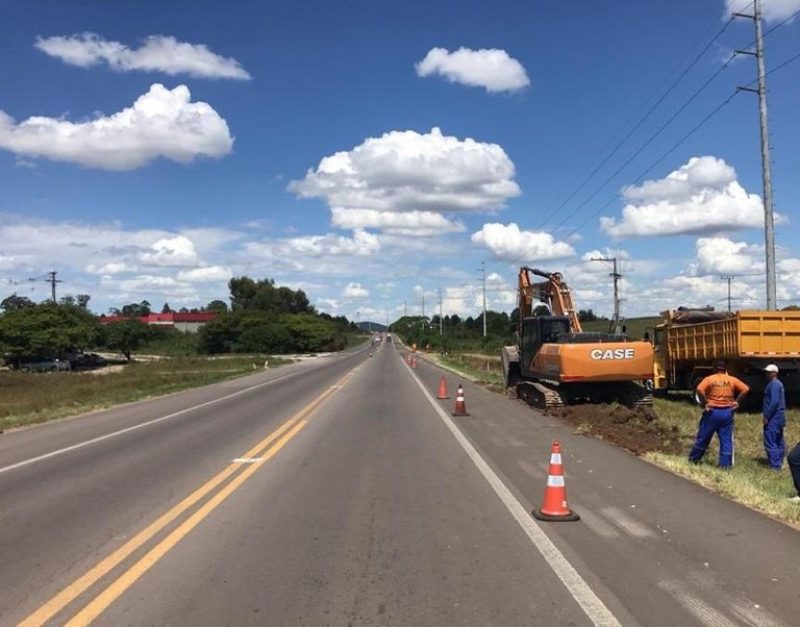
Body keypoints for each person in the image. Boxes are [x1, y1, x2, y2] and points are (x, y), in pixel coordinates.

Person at [689, 361, 749, 468]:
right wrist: (737, 402)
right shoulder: (731, 379)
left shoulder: (710, 379)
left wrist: (705, 402)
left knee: (704, 436)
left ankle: (694, 459)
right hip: (726, 412)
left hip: (712, 411)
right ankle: (725, 465)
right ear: (725, 369)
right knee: (726, 439)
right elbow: (745, 389)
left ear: (714, 369)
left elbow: (699, 389)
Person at [762, 364, 786, 470]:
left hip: (774, 417)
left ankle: (775, 466)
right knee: (778, 439)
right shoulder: (777, 384)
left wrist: (767, 416)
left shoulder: (775, 385)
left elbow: (774, 402)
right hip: (779, 417)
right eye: (766, 372)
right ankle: (779, 461)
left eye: (769, 372)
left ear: (774, 373)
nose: (766, 374)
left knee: (770, 440)